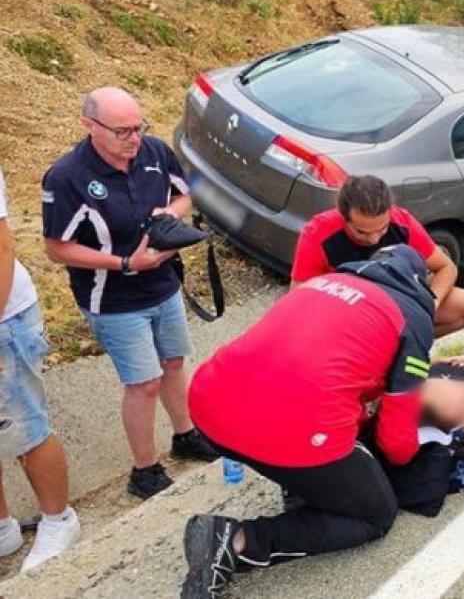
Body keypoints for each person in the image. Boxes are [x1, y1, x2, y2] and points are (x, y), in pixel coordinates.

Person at [181, 245, 438, 597]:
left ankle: (303, 483)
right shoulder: (413, 317)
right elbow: (396, 442)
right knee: (376, 514)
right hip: (289, 424)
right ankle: (235, 540)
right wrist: (408, 458)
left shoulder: (321, 283)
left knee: (322, 422)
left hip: (209, 404)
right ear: (420, 282)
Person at [41, 88, 217, 501]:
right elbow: (56, 247)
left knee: (173, 363)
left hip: (164, 285)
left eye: (138, 128)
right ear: (89, 126)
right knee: (144, 384)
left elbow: (187, 194)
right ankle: (144, 471)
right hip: (114, 299)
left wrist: (170, 215)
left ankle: (185, 435)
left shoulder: (154, 152)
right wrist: (124, 264)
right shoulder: (67, 178)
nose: (133, 139)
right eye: (122, 132)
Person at [0, 167, 81, 572]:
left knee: (25, 426)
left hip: (5, 321)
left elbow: (1, 250)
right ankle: (2, 528)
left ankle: (59, 519)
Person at [290, 175, 464, 337]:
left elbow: (446, 267)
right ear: (343, 216)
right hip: (346, 308)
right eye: (361, 232)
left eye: (381, 229)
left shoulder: (402, 222)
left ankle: (401, 347)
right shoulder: (317, 232)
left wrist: (431, 303)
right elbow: (299, 296)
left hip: (397, 301)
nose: (374, 240)